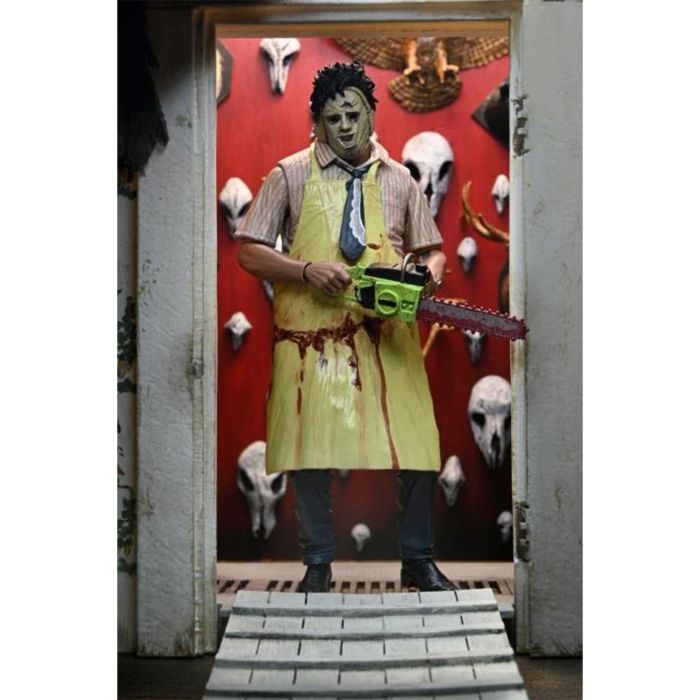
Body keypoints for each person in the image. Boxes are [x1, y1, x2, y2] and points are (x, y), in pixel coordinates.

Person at [235, 61, 456, 593]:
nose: (346, 127)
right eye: (333, 119)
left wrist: (425, 276)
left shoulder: (400, 179)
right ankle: (317, 564)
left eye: (354, 114)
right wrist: (304, 270)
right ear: (316, 123)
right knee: (310, 448)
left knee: (416, 444)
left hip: (388, 336)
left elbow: (433, 251)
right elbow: (249, 251)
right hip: (311, 340)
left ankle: (418, 559)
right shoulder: (289, 175)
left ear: (371, 113)